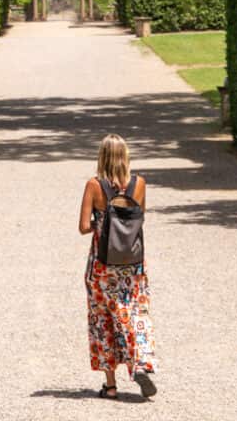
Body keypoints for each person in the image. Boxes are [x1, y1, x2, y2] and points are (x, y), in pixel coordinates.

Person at [79, 134, 157, 399]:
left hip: (102, 265)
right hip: (133, 264)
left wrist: (101, 224)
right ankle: (141, 363)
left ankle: (110, 386)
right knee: (135, 313)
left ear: (102, 156)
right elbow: (140, 219)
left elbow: (82, 227)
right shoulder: (140, 184)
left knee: (103, 321)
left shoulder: (94, 185)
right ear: (126, 156)